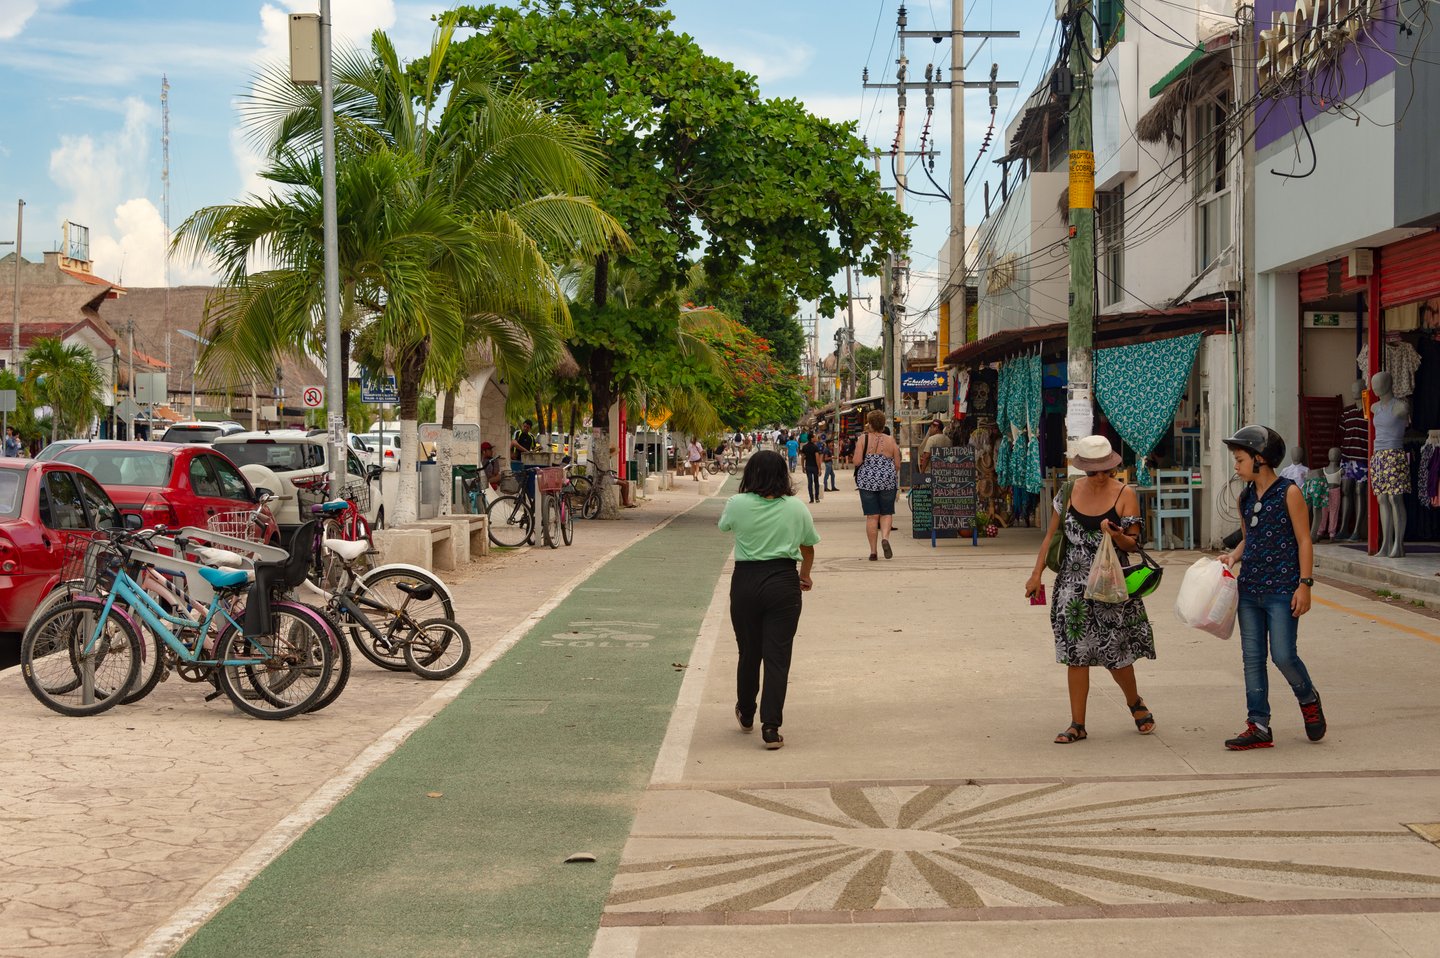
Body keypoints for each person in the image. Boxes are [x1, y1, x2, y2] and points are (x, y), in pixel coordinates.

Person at [1024, 436, 1156, 745]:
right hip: (1072, 587)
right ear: (1083, 469)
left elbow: (1134, 544)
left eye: (1106, 470)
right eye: (1094, 471)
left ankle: (1135, 703)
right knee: (1076, 655)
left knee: (1116, 653)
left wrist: (1116, 534)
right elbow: (1052, 535)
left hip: (1112, 586)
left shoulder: (1125, 494)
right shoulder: (1068, 492)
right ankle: (1077, 724)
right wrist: (1035, 574)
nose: (1101, 477)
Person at [1218, 424, 1326, 750]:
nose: (1236, 466)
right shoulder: (1245, 497)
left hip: (1282, 589)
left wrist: (1304, 585)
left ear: (1260, 459)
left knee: (1283, 655)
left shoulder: (1290, 492)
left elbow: (1304, 540)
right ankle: (1258, 725)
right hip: (1249, 589)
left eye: (1240, 459)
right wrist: (1233, 557)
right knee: (1252, 659)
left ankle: (1308, 699)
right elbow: (1249, 538)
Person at [717, 449, 819, 750]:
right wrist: (805, 575)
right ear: (782, 475)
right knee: (777, 657)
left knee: (749, 652)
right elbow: (808, 547)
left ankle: (746, 713)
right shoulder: (796, 508)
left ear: (751, 474)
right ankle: (771, 727)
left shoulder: (737, 503)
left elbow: (725, 527)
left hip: (746, 581)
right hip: (784, 581)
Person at [852, 409, 902, 560]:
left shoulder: (862, 439)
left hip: (867, 482)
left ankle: (873, 552)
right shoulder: (890, 440)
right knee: (886, 513)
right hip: (887, 480)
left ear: (870, 423)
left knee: (872, 516)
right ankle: (885, 538)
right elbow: (898, 464)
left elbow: (857, 461)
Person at [800, 432, 822, 503]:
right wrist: (819, 468)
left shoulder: (804, 447)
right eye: (814, 437)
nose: (816, 438)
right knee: (816, 482)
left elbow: (802, 458)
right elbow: (817, 458)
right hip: (814, 467)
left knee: (810, 483)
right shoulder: (815, 447)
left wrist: (803, 467)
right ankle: (817, 498)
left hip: (808, 466)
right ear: (811, 438)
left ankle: (811, 499)